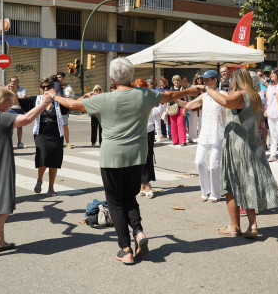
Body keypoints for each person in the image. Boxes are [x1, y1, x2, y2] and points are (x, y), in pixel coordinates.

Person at [55, 58, 202, 264]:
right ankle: (139, 232)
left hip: (112, 156)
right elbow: (169, 95)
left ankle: (125, 249)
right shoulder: (144, 94)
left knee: (115, 201)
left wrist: (54, 95)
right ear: (131, 76)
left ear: (113, 77)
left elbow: (72, 104)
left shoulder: (104, 98)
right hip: (137, 155)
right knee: (130, 197)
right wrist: (190, 90)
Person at [0, 85, 54, 258]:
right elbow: (26, 119)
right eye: (8, 100)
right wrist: (44, 103)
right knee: (5, 205)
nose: (10, 104)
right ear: (0, 101)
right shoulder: (0, 117)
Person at [205, 68, 278, 238]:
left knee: (231, 186)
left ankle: (234, 227)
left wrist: (208, 89)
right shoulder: (254, 96)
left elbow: (226, 102)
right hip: (252, 146)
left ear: (237, 80)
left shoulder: (241, 95)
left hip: (237, 147)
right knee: (248, 184)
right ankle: (252, 225)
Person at [177, 70, 226, 203]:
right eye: (203, 80)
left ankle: (216, 193)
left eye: (207, 80)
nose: (204, 82)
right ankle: (206, 190)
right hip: (204, 133)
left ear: (215, 80)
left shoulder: (223, 94)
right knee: (199, 161)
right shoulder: (204, 96)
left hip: (219, 132)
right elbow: (188, 105)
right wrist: (173, 97)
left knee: (215, 165)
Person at [14, 78, 68, 196]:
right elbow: (18, 102)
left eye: (48, 87)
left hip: (56, 135)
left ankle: (51, 187)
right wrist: (14, 90)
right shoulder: (36, 100)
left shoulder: (58, 101)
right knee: (42, 156)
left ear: (53, 88)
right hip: (41, 134)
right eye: (43, 87)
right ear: (40, 88)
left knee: (54, 161)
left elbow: (70, 105)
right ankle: (39, 180)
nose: (45, 89)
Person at [133, 78, 158, 199]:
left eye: (141, 88)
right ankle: (141, 184)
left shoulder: (150, 98)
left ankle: (147, 183)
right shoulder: (131, 100)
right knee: (138, 158)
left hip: (148, 130)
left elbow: (158, 109)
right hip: (136, 131)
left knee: (147, 157)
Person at [264, 68, 278, 163]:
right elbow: (266, 100)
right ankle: (272, 154)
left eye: (273, 73)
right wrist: (265, 110)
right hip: (270, 112)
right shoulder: (269, 87)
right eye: (271, 73)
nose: (271, 75)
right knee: (273, 134)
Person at [55, 71, 75, 148]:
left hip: (63, 109)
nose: (58, 79)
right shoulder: (56, 85)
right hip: (56, 108)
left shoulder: (67, 87)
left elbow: (69, 97)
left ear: (63, 78)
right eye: (57, 77)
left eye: (59, 77)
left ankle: (67, 142)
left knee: (64, 125)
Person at [169, 74, 188, 146]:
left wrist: (185, 109)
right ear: (173, 81)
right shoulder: (171, 89)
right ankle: (175, 140)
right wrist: (167, 106)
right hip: (172, 108)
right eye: (174, 80)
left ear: (179, 81)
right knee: (173, 125)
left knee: (181, 124)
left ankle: (183, 141)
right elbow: (169, 99)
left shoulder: (182, 88)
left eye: (177, 80)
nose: (176, 81)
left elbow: (185, 99)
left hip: (181, 108)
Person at [9, 76, 27, 148]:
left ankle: (19, 142)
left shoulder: (22, 89)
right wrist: (17, 100)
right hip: (11, 110)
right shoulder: (8, 89)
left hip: (20, 110)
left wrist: (15, 100)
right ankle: (10, 143)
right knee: (11, 127)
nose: (13, 83)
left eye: (15, 81)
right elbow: (9, 100)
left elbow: (24, 98)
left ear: (18, 81)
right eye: (12, 81)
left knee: (19, 127)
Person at [186, 74, 202, 143]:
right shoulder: (192, 87)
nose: (200, 80)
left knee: (201, 121)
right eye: (198, 78)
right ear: (195, 79)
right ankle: (191, 137)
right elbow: (189, 95)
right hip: (194, 105)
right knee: (192, 121)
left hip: (202, 106)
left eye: (201, 78)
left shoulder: (204, 86)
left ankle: (201, 136)